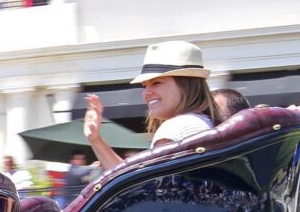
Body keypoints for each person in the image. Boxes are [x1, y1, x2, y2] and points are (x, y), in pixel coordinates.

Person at [82, 40, 217, 170]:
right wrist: (95, 139)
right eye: (145, 86)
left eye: (157, 83)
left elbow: (139, 188)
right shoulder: (200, 122)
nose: (146, 93)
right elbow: (132, 179)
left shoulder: (175, 128)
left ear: (186, 85)